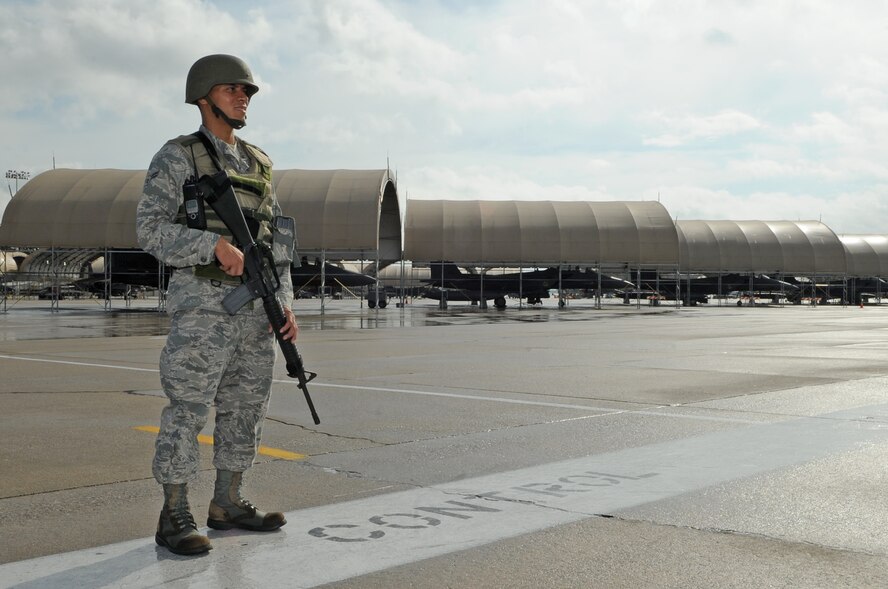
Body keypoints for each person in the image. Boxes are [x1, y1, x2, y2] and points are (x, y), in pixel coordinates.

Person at [136, 54, 298, 556]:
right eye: (233, 90)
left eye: (247, 91)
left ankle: (227, 502)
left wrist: (285, 303)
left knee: (246, 408)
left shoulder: (260, 163)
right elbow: (149, 229)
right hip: (204, 308)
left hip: (257, 309)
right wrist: (211, 248)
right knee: (187, 409)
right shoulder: (178, 155)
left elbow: (275, 242)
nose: (244, 97)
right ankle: (174, 513)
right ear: (204, 98)